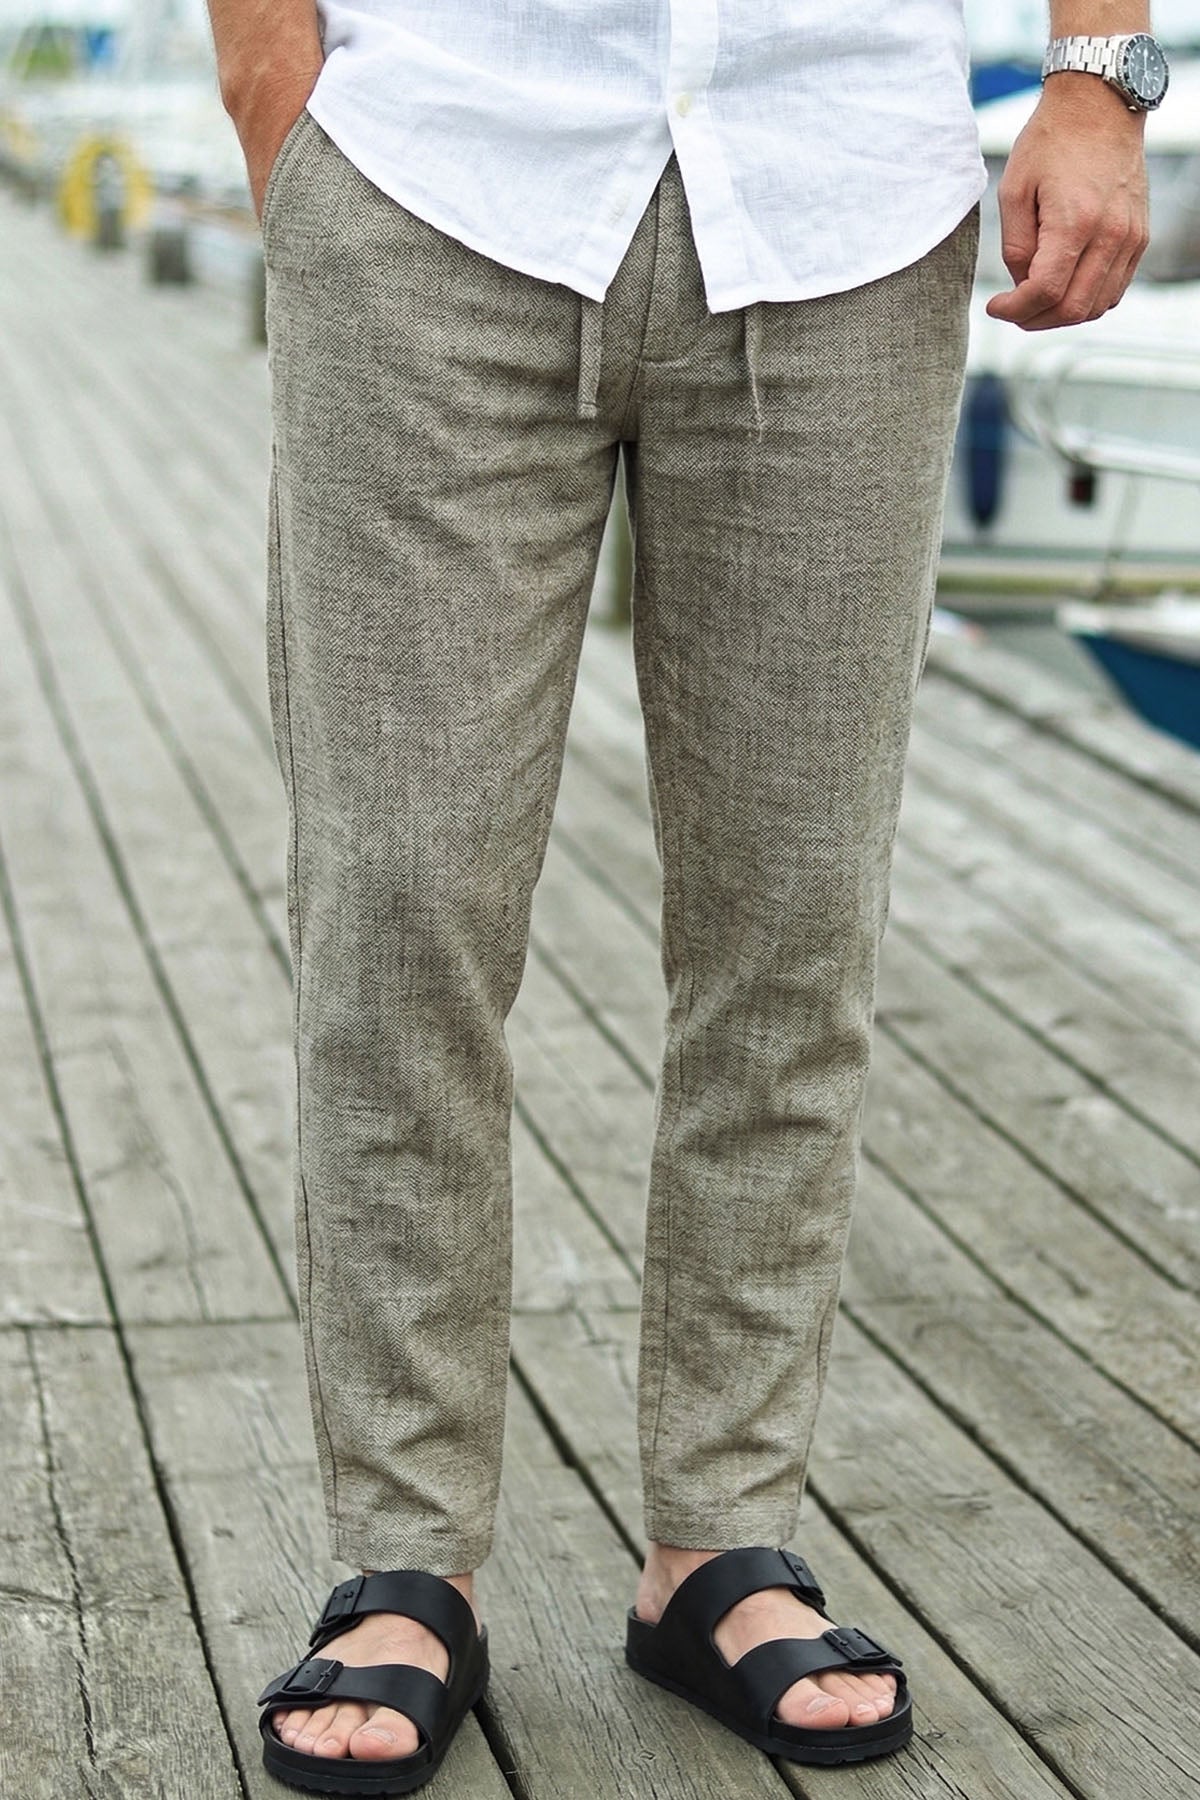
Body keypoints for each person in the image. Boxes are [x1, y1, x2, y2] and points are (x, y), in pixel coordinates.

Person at [204, 2, 1157, 1791]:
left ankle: (720, 1535)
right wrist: (283, 102)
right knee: (399, 912)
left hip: (842, 198)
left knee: (791, 929)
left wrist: (1097, 78)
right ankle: (405, 1557)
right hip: (435, 174)